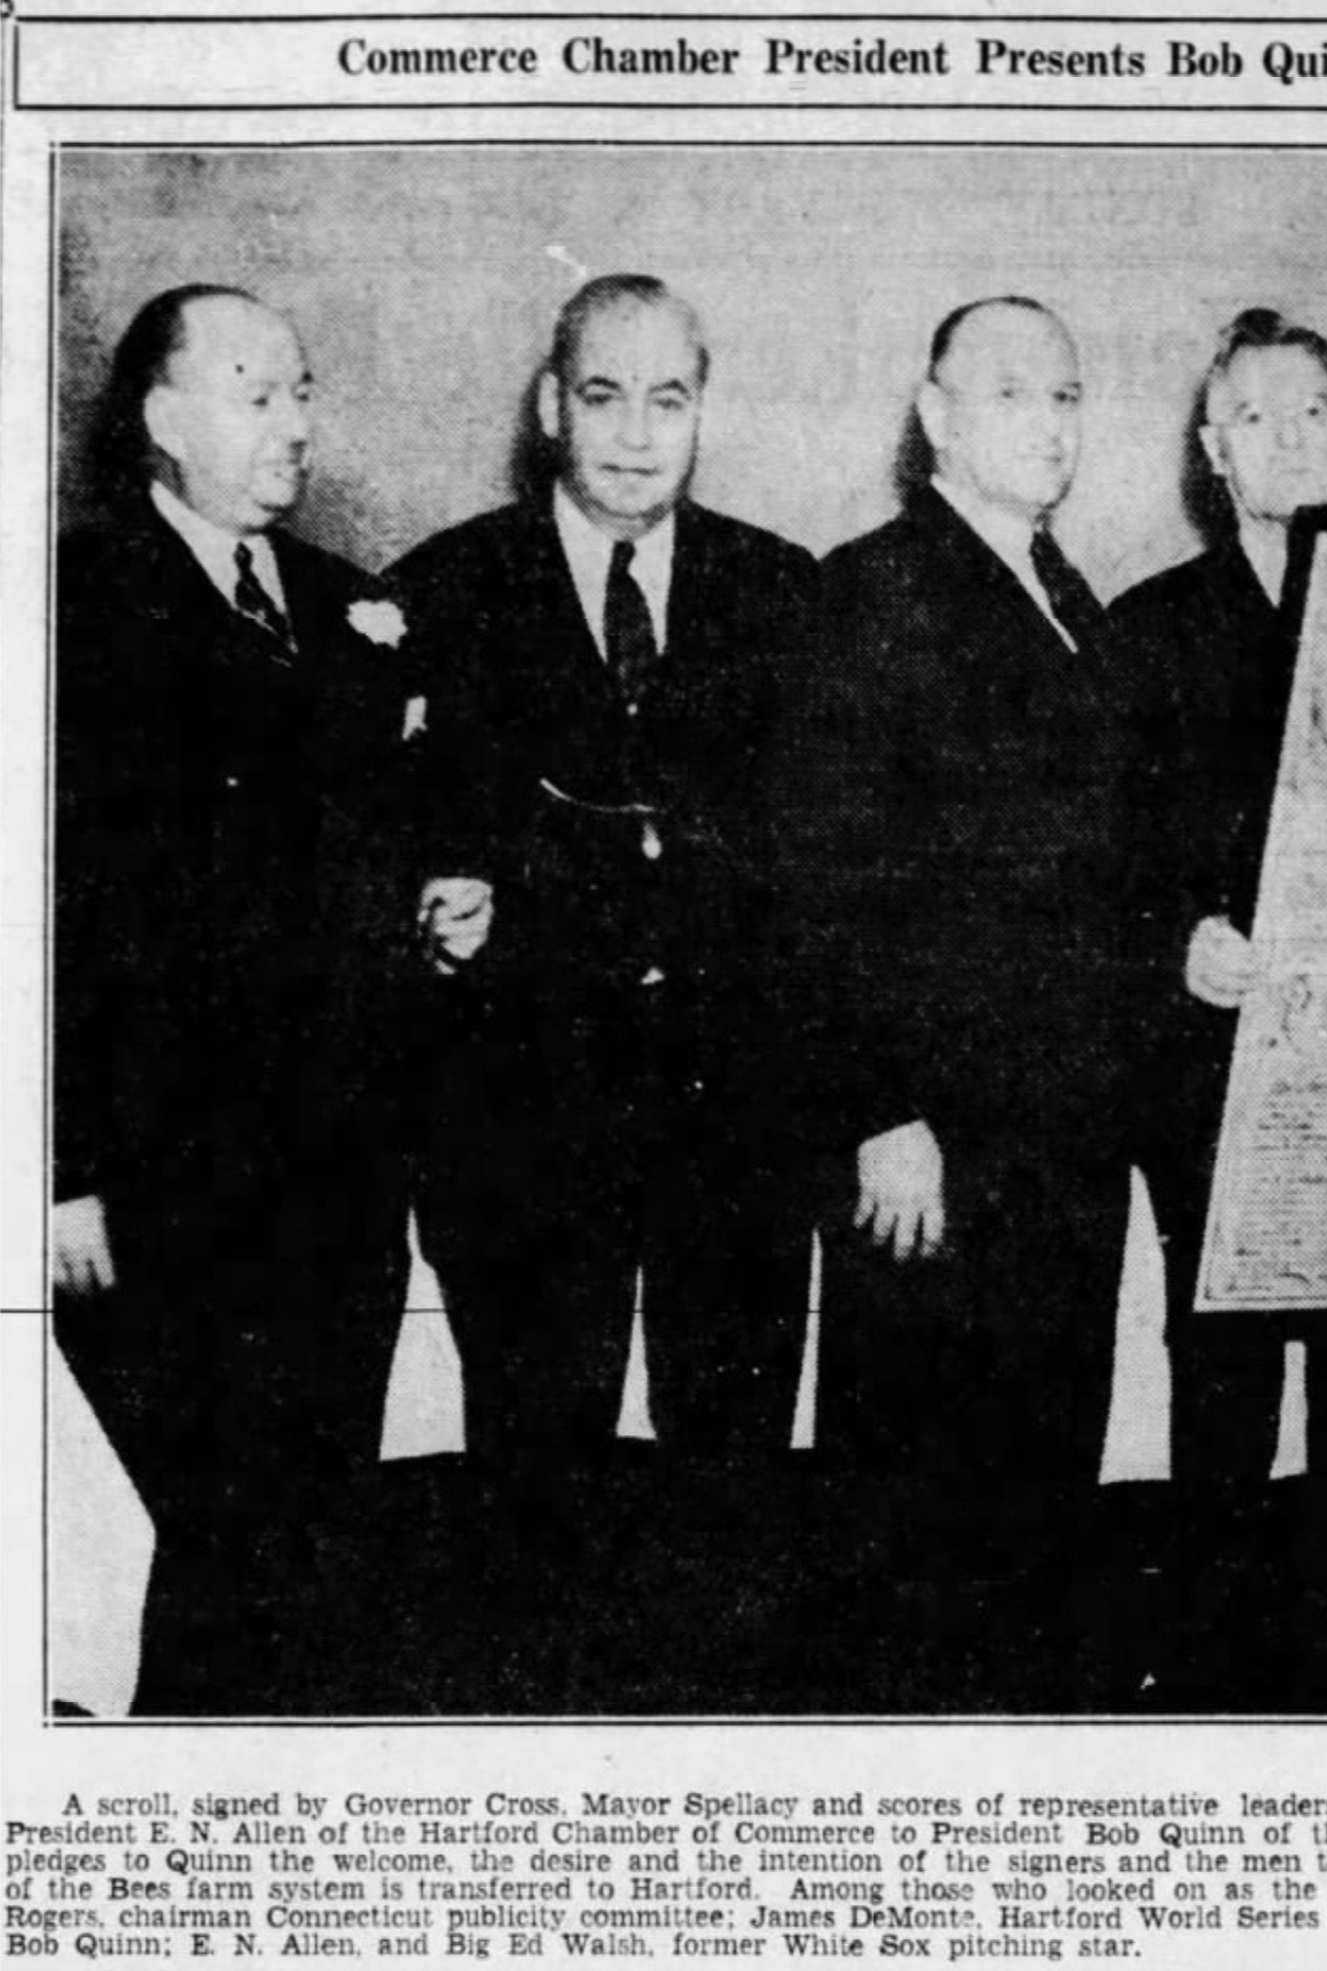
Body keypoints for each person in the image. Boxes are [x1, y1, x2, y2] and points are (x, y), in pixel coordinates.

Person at [393, 277, 817, 1589]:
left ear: (703, 413)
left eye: (668, 398)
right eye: (602, 394)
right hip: (526, 1117)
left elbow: (819, 870)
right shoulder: (441, 592)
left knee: (731, 1477)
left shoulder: (784, 593)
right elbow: (382, 843)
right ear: (547, 404)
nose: (635, 431)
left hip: (733, 1118)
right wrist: (427, 907)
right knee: (533, 1483)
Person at [53, 285, 420, 1713]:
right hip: (166, 1177)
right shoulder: (76, 605)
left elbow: (358, 859)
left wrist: (435, 913)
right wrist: (61, 1168)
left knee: (319, 1528)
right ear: (162, 421)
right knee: (202, 1539)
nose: (295, 423)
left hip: (341, 1164)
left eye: (304, 392)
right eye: (257, 393)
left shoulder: (343, 604)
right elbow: (55, 908)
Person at [781, 296, 1139, 1707]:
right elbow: (815, 885)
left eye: (1066, 393)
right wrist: (882, 1108)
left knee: (1042, 1487)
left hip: (1063, 1135)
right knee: (915, 1516)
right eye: (1012, 393)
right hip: (937, 1146)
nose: (1049, 421)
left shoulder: (1072, 597)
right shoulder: (867, 589)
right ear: (934, 415)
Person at [1108, 311, 1327, 1499]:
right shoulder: (1143, 632)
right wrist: (1177, 941)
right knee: (1224, 1390)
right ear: (1212, 450)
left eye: (1312, 411)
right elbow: (1107, 869)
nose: (1287, 438)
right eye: (1253, 416)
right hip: (1215, 1075)